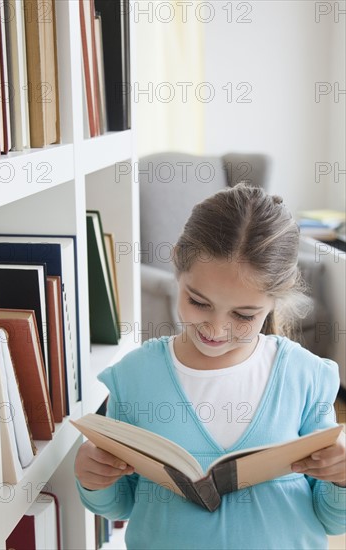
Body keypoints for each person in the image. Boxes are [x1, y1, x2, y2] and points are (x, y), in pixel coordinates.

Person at [74, 183, 346, 549]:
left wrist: (341, 480)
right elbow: (121, 504)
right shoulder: (135, 376)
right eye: (198, 302)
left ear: (274, 300)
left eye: (244, 314)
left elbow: (330, 517)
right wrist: (94, 477)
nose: (216, 329)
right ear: (177, 267)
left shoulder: (306, 377)